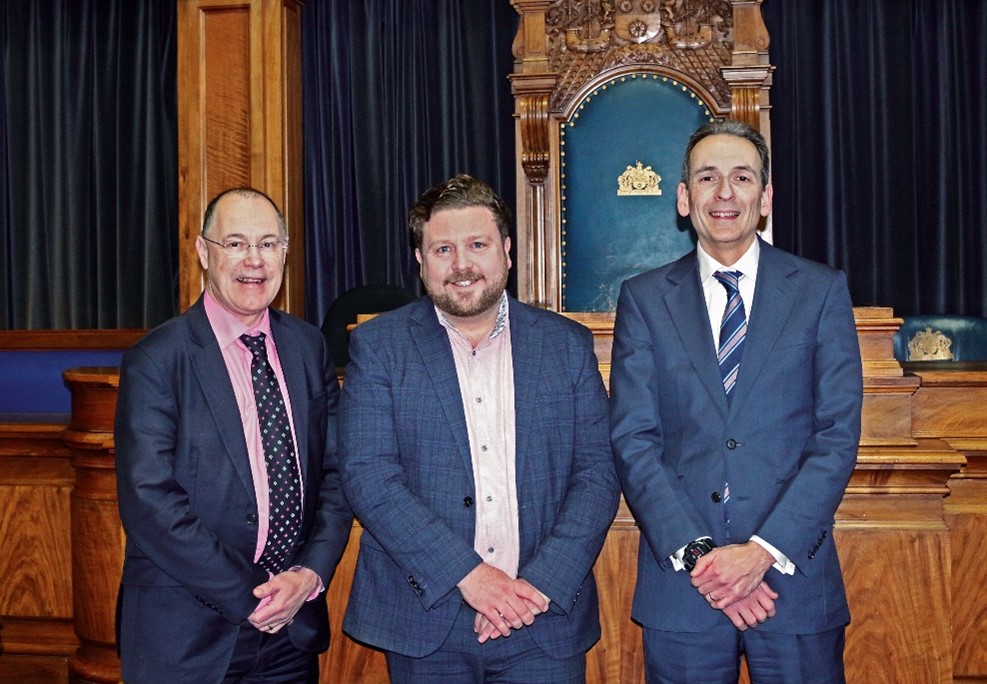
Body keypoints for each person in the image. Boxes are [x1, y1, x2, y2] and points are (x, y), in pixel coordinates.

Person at [339, 174, 620, 683]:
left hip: (542, 619)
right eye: (443, 249)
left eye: (478, 245)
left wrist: (537, 586)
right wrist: (470, 578)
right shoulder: (379, 347)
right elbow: (369, 477)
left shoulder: (566, 345)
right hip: (427, 622)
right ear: (420, 260)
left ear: (506, 251)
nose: (462, 264)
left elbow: (598, 474)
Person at [609, 120, 862, 683]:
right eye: (707, 178)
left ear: (765, 198)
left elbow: (837, 436)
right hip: (684, 589)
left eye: (742, 177)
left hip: (793, 583)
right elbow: (633, 441)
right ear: (684, 198)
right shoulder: (644, 300)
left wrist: (762, 552)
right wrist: (705, 560)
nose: (724, 193)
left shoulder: (820, 291)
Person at [114, 187, 352, 683]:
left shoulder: (308, 347)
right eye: (236, 243)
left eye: (268, 244)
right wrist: (253, 595)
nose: (254, 260)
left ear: (285, 253)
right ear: (204, 252)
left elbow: (336, 475)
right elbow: (149, 500)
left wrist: (309, 574)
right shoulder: (157, 359)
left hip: (291, 629)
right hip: (185, 634)